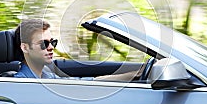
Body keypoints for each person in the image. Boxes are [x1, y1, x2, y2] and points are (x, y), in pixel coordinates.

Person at [14, 18, 142, 81]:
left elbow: (86, 83)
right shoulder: (20, 83)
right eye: (44, 44)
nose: (51, 47)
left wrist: (131, 75)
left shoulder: (47, 76)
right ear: (25, 47)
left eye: (53, 42)